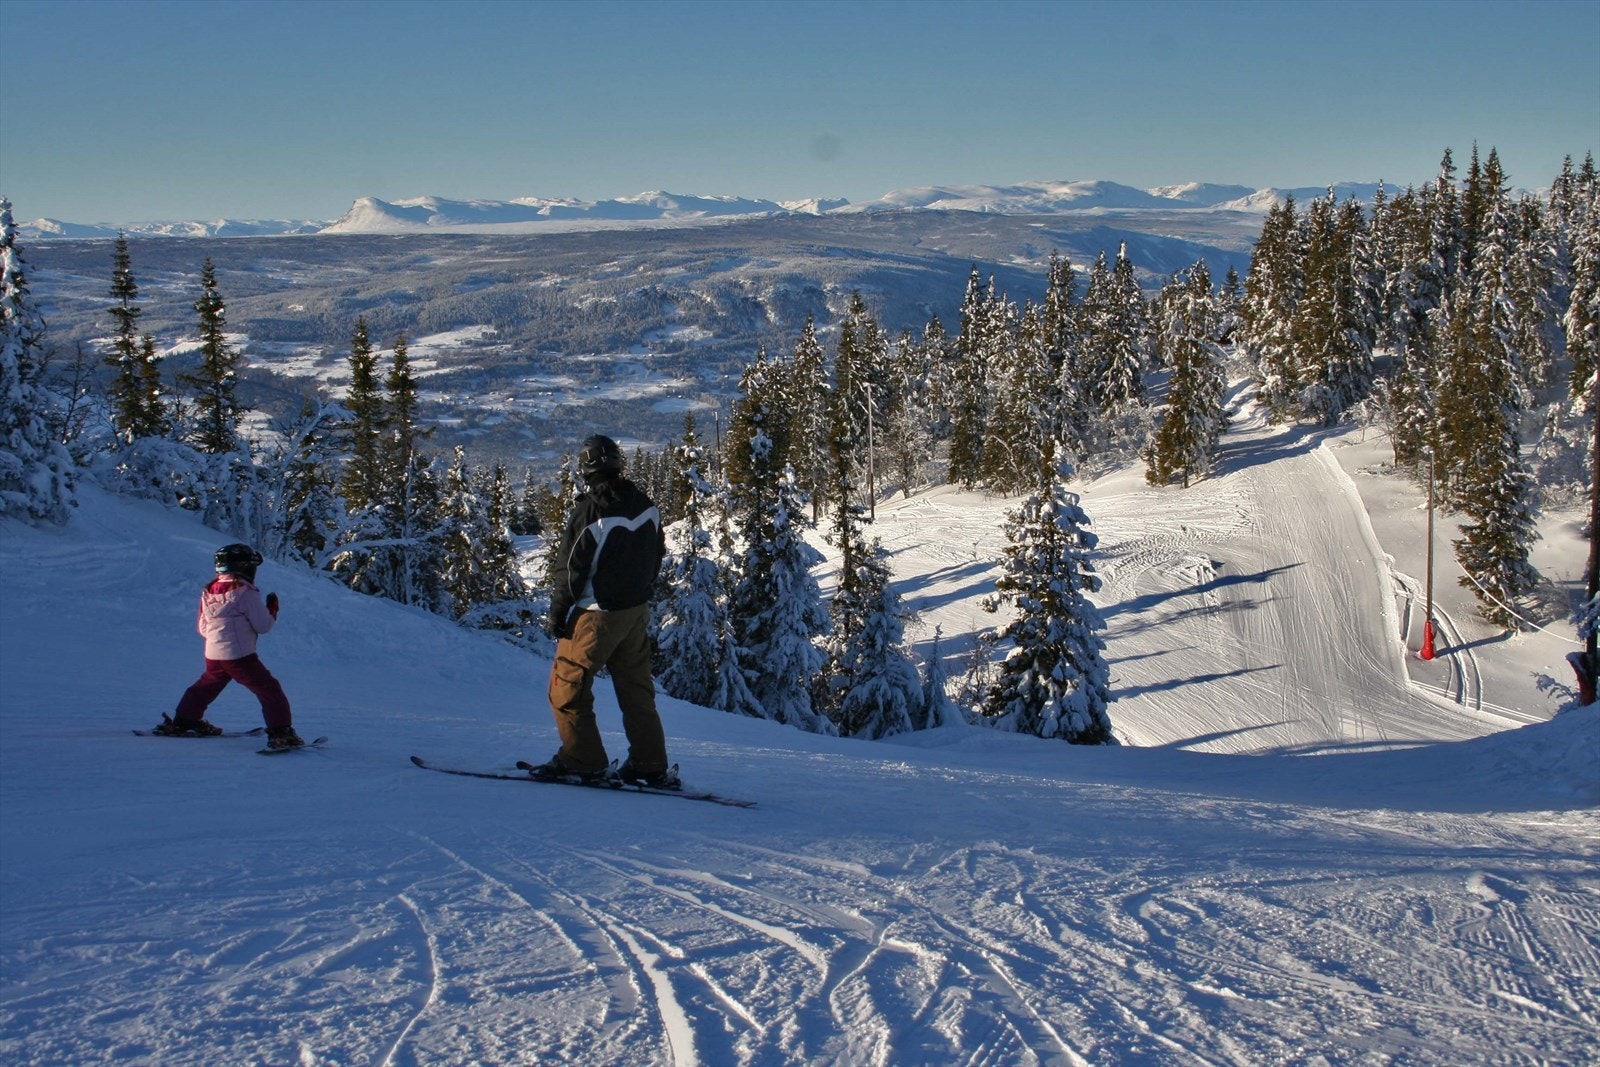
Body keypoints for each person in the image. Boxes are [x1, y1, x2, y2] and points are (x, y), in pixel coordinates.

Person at [532, 434, 677, 788]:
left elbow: (571, 567)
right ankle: (649, 763)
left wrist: (559, 613)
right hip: (635, 612)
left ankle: (583, 760)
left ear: (586, 466)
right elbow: (655, 555)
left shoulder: (591, 511)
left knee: (567, 688)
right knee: (636, 691)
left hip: (595, 615)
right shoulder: (645, 504)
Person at [153, 543, 303, 749]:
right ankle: (281, 732)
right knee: (269, 689)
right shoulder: (245, 592)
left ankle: (185, 721)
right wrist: (272, 609)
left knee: (205, 687)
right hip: (240, 656)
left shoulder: (208, 591)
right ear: (243, 567)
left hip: (213, 654)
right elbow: (263, 625)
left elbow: (202, 627)